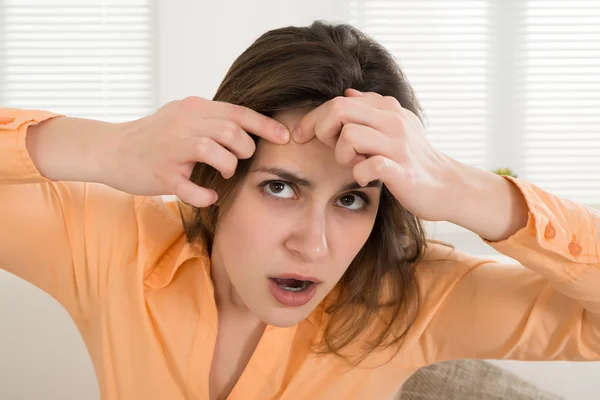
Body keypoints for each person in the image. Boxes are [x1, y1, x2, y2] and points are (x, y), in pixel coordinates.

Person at [1, 20, 598, 400]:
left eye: (350, 199)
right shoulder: (119, 249)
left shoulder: (415, 299)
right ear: (222, 175)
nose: (312, 246)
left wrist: (465, 189)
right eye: (281, 188)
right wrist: (109, 146)